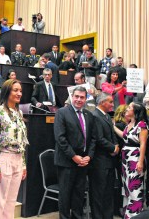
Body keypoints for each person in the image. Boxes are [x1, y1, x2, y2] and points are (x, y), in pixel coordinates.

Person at [54, 86, 97, 219]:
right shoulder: (62, 112)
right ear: (72, 97)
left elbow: (93, 139)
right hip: (67, 162)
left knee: (79, 195)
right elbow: (60, 138)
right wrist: (74, 156)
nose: (79, 99)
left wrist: (89, 156)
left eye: (82, 97)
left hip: (83, 163)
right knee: (65, 196)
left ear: (85, 99)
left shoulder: (89, 115)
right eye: (76, 96)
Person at [0, 79, 29, 219]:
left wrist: (23, 164)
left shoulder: (19, 113)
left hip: (18, 159)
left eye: (20, 91)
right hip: (4, 157)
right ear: (7, 91)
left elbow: (22, 142)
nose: (19, 93)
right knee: (0, 199)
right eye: (15, 90)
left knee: (12, 200)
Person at [114, 102, 148, 218]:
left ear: (135, 111)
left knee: (135, 187)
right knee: (127, 187)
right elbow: (125, 136)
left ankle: (135, 215)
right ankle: (127, 214)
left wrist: (140, 162)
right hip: (125, 159)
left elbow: (143, 144)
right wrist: (113, 126)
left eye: (129, 108)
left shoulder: (142, 125)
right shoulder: (129, 123)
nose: (126, 109)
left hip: (135, 158)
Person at [89, 93, 119, 219]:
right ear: (102, 102)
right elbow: (99, 138)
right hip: (99, 162)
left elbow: (112, 135)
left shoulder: (106, 116)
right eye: (110, 102)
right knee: (98, 193)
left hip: (109, 161)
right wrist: (113, 148)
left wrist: (116, 145)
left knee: (108, 193)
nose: (113, 105)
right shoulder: (95, 116)